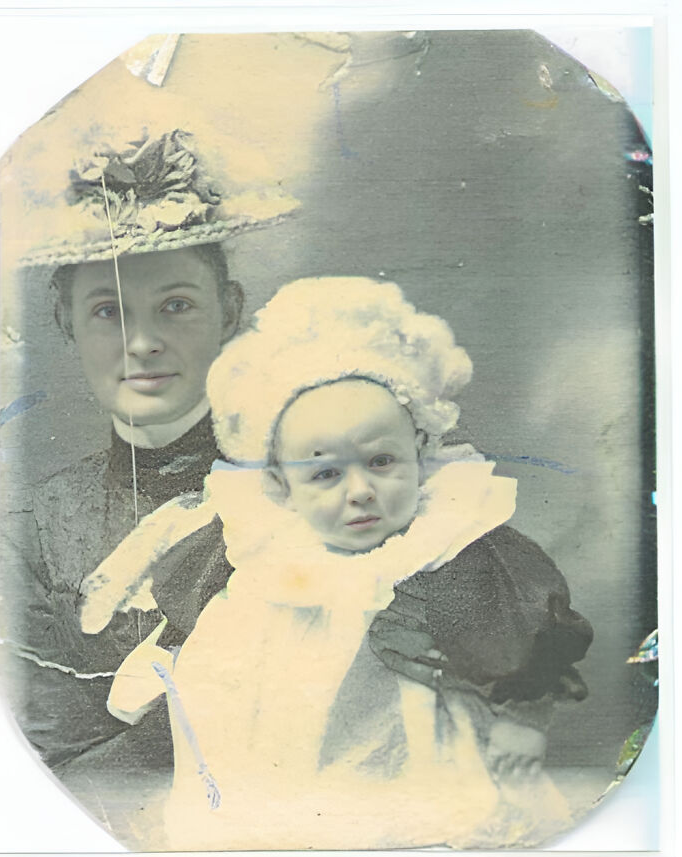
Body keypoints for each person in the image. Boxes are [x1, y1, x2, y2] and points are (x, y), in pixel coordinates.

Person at [83, 276, 593, 850]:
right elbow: (191, 591)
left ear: (420, 451)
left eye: (381, 461)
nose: (360, 491)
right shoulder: (259, 536)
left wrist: (524, 721)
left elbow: (523, 623)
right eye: (325, 473)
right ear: (279, 481)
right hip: (271, 740)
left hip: (408, 742)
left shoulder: (445, 537)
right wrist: (161, 657)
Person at [0, 128, 298, 785]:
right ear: (65, 321)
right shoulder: (29, 533)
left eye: (177, 306)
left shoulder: (324, 487)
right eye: (108, 311)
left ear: (230, 310)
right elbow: (59, 778)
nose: (144, 342)